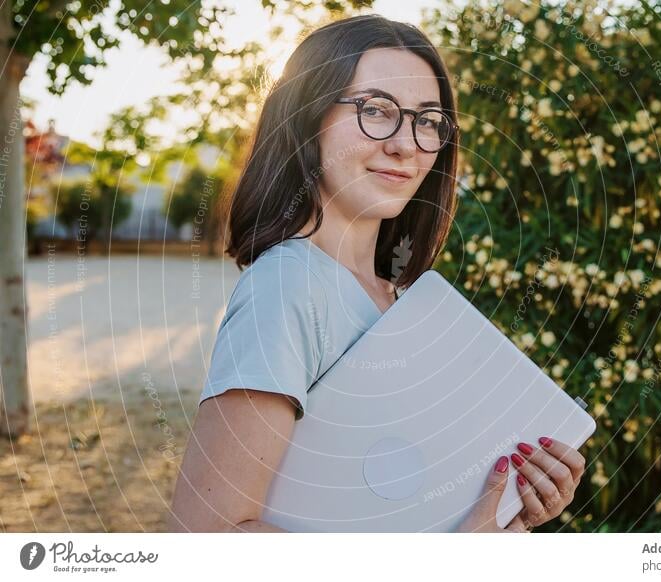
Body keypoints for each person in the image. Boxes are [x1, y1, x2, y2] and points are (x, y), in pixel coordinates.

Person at [168, 14, 585, 533]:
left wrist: (507, 515)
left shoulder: (404, 298)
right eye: (377, 110)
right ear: (306, 118)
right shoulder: (288, 290)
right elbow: (204, 534)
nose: (406, 144)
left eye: (428, 120)